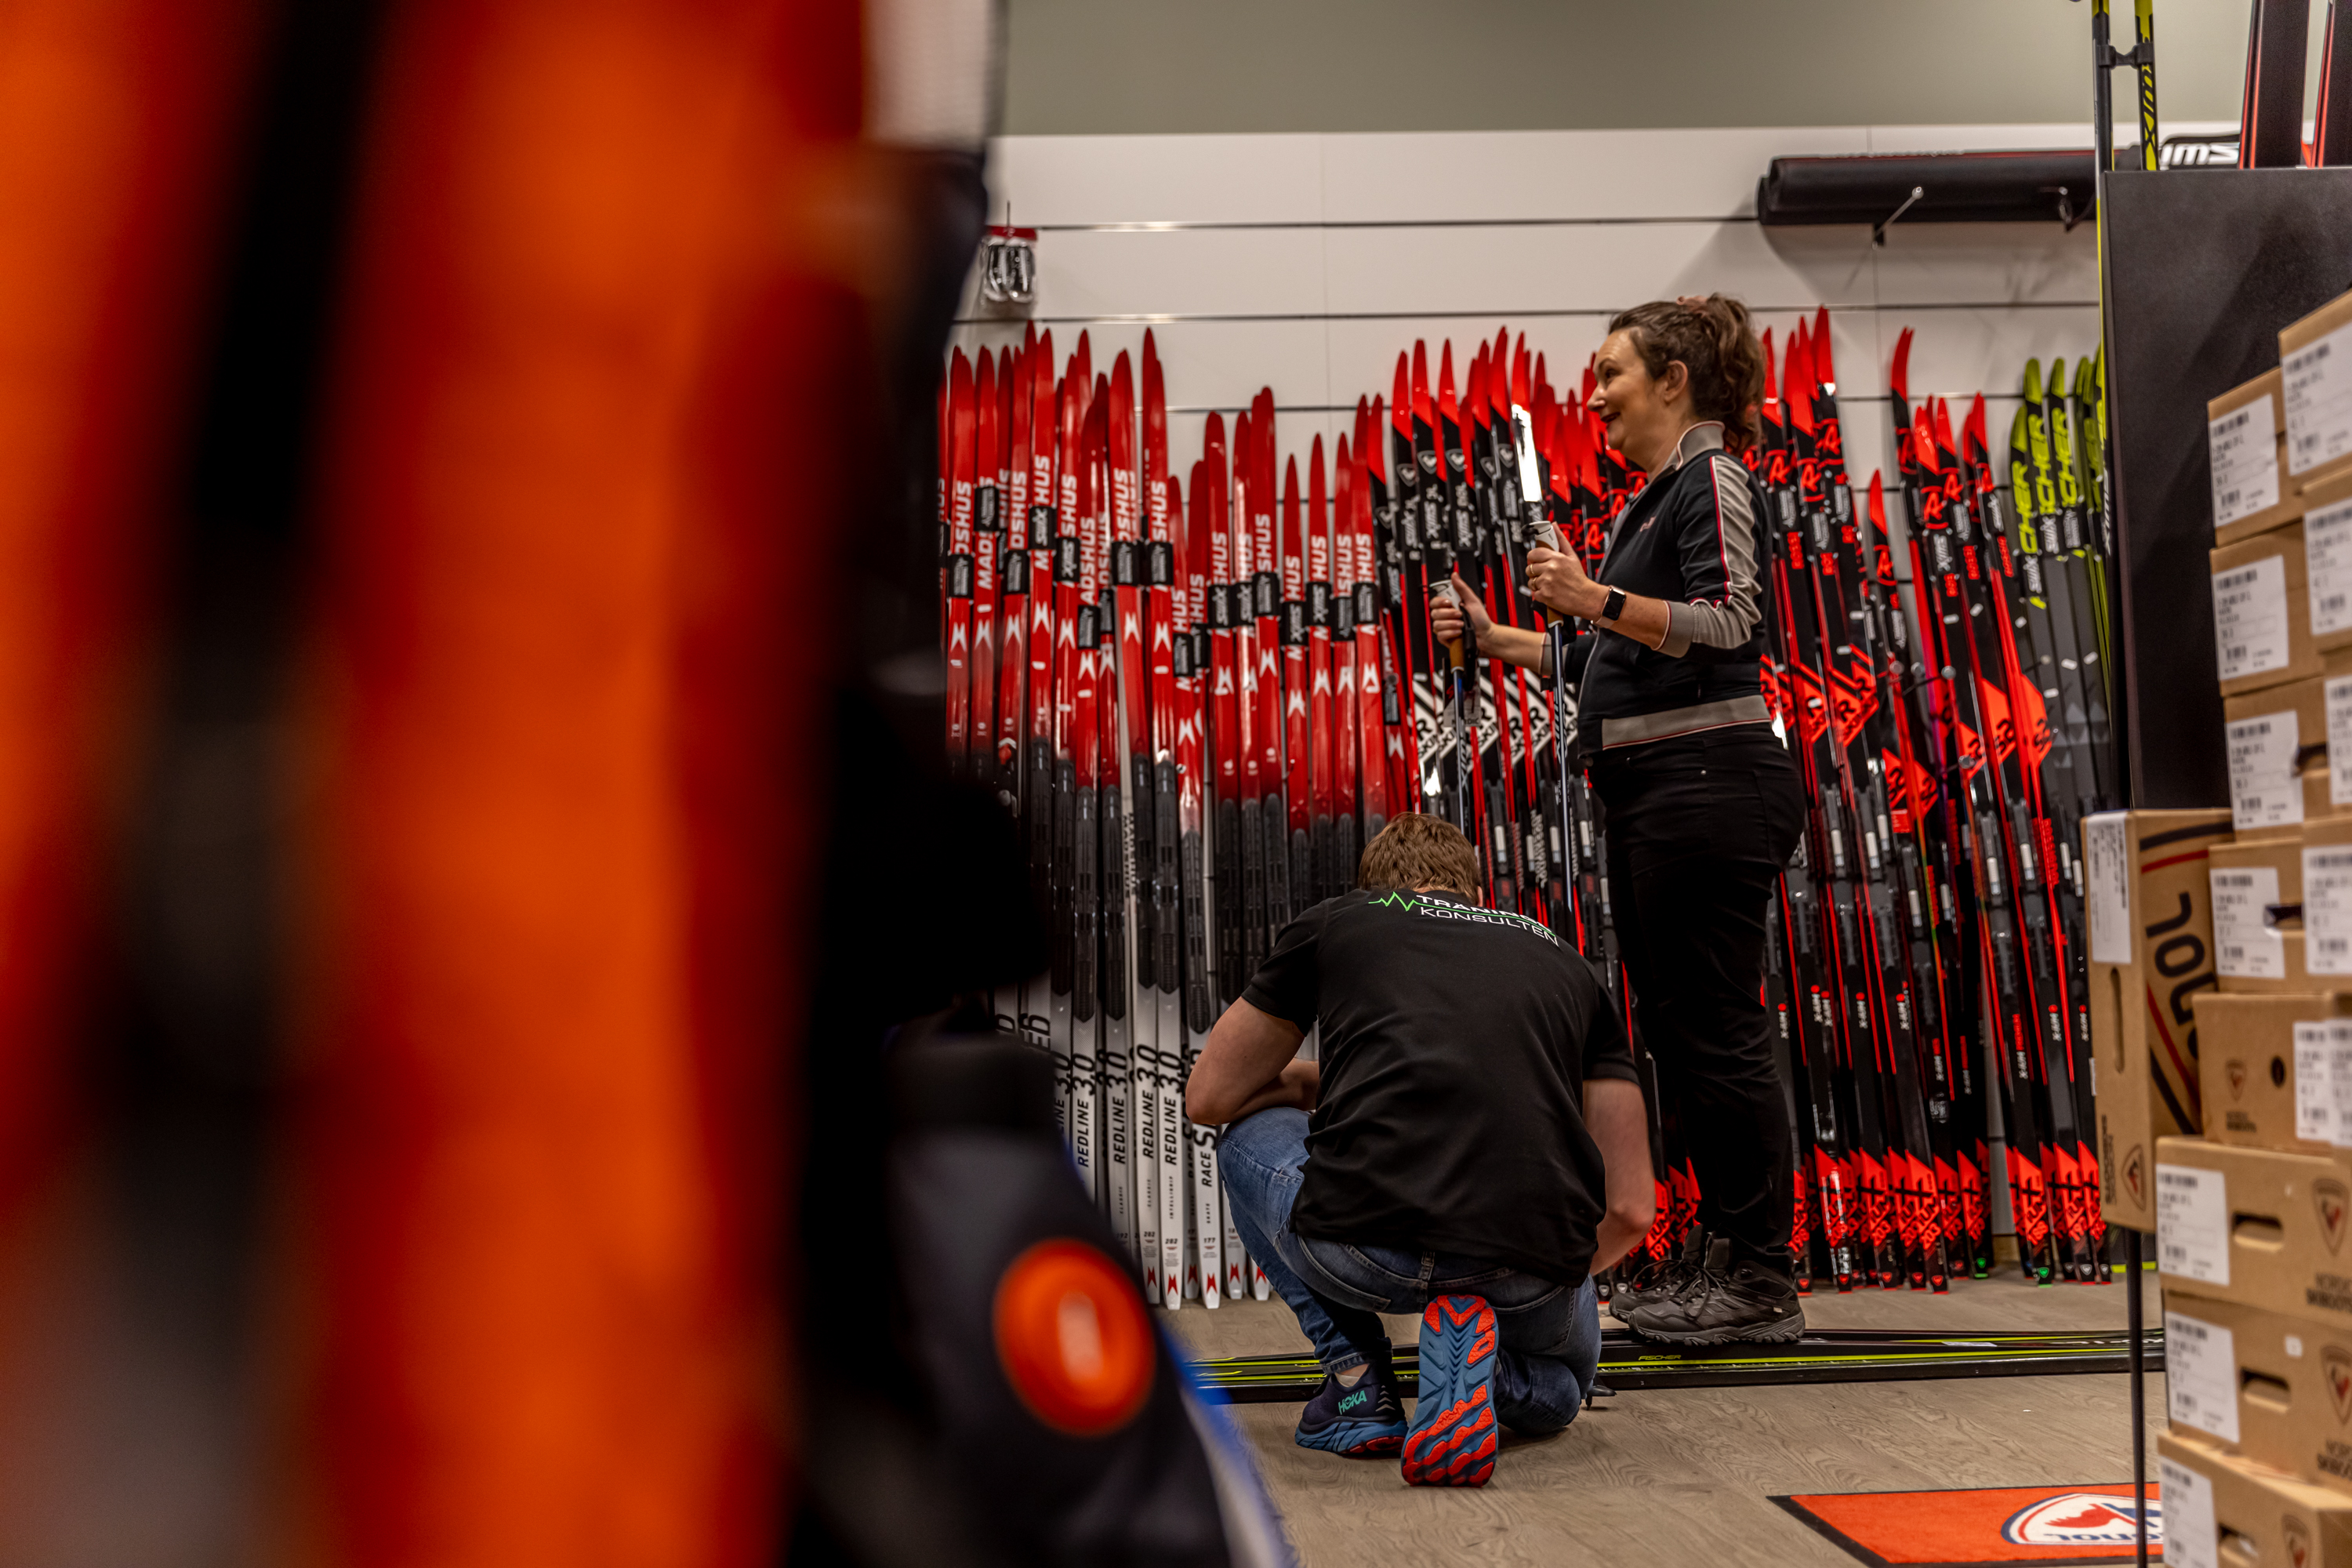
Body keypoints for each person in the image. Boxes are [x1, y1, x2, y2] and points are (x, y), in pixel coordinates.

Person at [1428, 293, 1806, 1345]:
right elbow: (1614, 662)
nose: (1593, 398)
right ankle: (1719, 1261)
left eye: (1611, 375)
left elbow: (1731, 622)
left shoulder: (1710, 480)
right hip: (1656, 791)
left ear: (1673, 381)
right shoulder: (1651, 501)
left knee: (1718, 1038)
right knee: (1684, 1042)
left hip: (1709, 787)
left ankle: (1761, 1278)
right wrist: (1501, 635)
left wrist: (1592, 596)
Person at [1183, 813, 1653, 1489]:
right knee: (1564, 1388)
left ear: (1370, 888)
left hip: (1365, 1252)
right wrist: (1560, 1269)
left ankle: (1356, 1385)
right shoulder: (1567, 963)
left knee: (1244, 1139)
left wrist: (1311, 1085)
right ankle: (1488, 1372)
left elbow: (1210, 1098)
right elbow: (1634, 1207)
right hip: (1525, 1270)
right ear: (1474, 889)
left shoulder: (1338, 924)